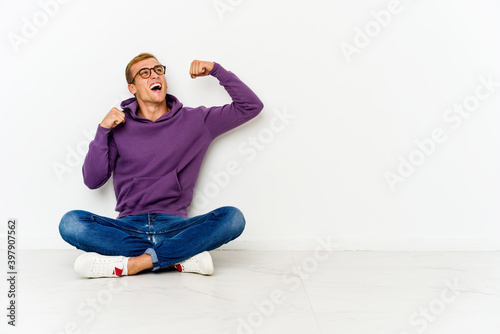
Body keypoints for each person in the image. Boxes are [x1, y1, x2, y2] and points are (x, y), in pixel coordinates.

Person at [59, 53, 263, 278]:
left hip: (175, 228)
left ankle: (134, 264)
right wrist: (102, 131)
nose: (154, 75)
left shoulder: (196, 121)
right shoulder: (118, 127)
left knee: (233, 218)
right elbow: (93, 180)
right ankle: (178, 258)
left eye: (158, 70)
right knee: (71, 223)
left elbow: (251, 106)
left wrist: (216, 69)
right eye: (144, 73)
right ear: (132, 88)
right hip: (128, 229)